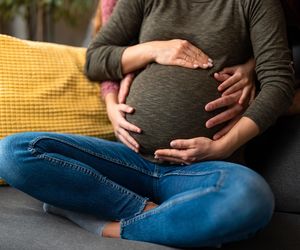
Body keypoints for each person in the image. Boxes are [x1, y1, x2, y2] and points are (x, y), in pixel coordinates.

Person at [0, 0, 295, 248]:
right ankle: (150, 214)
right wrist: (154, 49)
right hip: (128, 159)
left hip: (200, 170)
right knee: (14, 152)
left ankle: (107, 224)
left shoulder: (255, 3)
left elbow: (279, 83)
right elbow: (96, 58)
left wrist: (221, 147)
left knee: (251, 198)